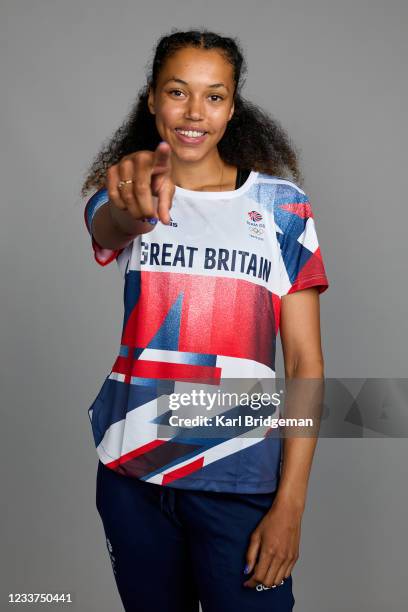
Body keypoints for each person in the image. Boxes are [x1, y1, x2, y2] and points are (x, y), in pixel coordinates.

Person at [81, 28, 329, 612]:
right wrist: (130, 204)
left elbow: (305, 362)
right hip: (132, 474)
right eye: (177, 92)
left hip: (239, 479)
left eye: (213, 96)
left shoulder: (282, 208)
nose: (194, 113)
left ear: (233, 106)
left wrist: (290, 503)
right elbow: (108, 226)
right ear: (151, 99)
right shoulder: (123, 187)